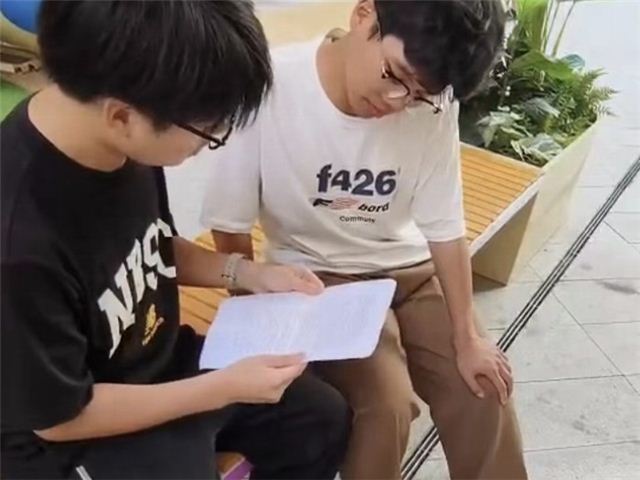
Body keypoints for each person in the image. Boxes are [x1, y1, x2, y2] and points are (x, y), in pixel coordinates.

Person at [0, 1, 351, 478]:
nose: (209, 142)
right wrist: (223, 388)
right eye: (206, 130)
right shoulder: (20, 242)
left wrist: (247, 273)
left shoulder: (120, 131)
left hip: (159, 363)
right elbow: (59, 419)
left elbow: (152, 245)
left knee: (319, 418)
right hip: (78, 430)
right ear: (122, 118)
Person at [201, 1, 528, 479]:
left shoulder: (434, 103)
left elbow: (444, 226)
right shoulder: (271, 86)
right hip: (319, 278)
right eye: (395, 75)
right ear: (364, 16)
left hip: (413, 272)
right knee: (385, 406)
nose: (398, 101)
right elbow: (230, 225)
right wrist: (259, 325)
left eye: (418, 95)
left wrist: (468, 338)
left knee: (482, 386)